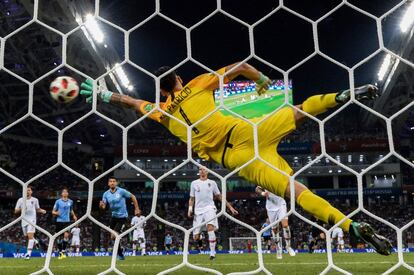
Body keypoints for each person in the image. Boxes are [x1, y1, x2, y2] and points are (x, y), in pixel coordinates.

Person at [80, 62, 391, 255]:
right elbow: (241, 66)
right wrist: (263, 81)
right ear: (178, 78)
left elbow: (133, 103)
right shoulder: (197, 84)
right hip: (249, 131)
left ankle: (350, 227)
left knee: (297, 193)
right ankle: (343, 95)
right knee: (301, 111)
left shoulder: (161, 111)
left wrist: (103, 95)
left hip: (237, 157)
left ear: (161, 92)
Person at [188, 167, 238, 260]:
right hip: (198, 211)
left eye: (204, 169)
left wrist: (230, 207)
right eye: (200, 169)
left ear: (207, 172)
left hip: (210, 208)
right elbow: (192, 198)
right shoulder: (194, 183)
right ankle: (200, 235)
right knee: (196, 237)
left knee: (210, 228)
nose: (202, 171)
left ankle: (212, 253)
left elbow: (219, 196)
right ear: (198, 172)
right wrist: (190, 209)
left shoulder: (212, 183)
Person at [100, 176, 141, 260]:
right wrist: (101, 205)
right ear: (108, 183)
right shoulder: (106, 194)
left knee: (114, 235)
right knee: (113, 237)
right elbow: (103, 206)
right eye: (110, 181)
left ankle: (121, 251)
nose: (112, 183)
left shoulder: (121, 191)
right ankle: (120, 254)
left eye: (114, 181)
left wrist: (136, 208)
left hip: (123, 217)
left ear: (116, 183)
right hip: (114, 216)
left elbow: (133, 197)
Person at [256, 186, 295, 259]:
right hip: (270, 207)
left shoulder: (280, 176)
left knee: (285, 225)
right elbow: (257, 189)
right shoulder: (266, 179)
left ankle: (288, 246)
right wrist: (263, 193)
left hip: (281, 204)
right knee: (274, 229)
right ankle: (278, 249)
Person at [14, 186, 47, 260]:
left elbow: (37, 209)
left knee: (30, 236)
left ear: (31, 192)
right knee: (27, 236)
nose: (27, 191)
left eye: (29, 190)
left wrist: (42, 211)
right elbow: (15, 211)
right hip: (24, 220)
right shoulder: (20, 200)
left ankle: (28, 254)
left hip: (32, 220)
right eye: (26, 190)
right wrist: (22, 208)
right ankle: (35, 241)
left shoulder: (35, 200)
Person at [52, 187, 77, 259]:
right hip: (59, 221)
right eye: (64, 192)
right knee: (59, 238)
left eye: (66, 192)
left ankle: (63, 251)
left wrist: (74, 215)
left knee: (66, 236)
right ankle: (60, 252)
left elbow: (71, 210)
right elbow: (53, 211)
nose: (65, 193)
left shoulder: (71, 201)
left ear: (68, 193)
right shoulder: (58, 202)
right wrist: (56, 213)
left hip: (67, 221)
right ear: (62, 194)